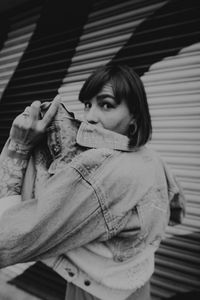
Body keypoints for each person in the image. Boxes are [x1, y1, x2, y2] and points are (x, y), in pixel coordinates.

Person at [0, 64, 185, 300]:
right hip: (137, 284)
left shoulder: (99, 173)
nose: (89, 118)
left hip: (94, 292)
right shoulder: (151, 157)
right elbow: (177, 207)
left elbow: (8, 240)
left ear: (134, 119)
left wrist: (18, 148)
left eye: (106, 104)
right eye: (87, 105)